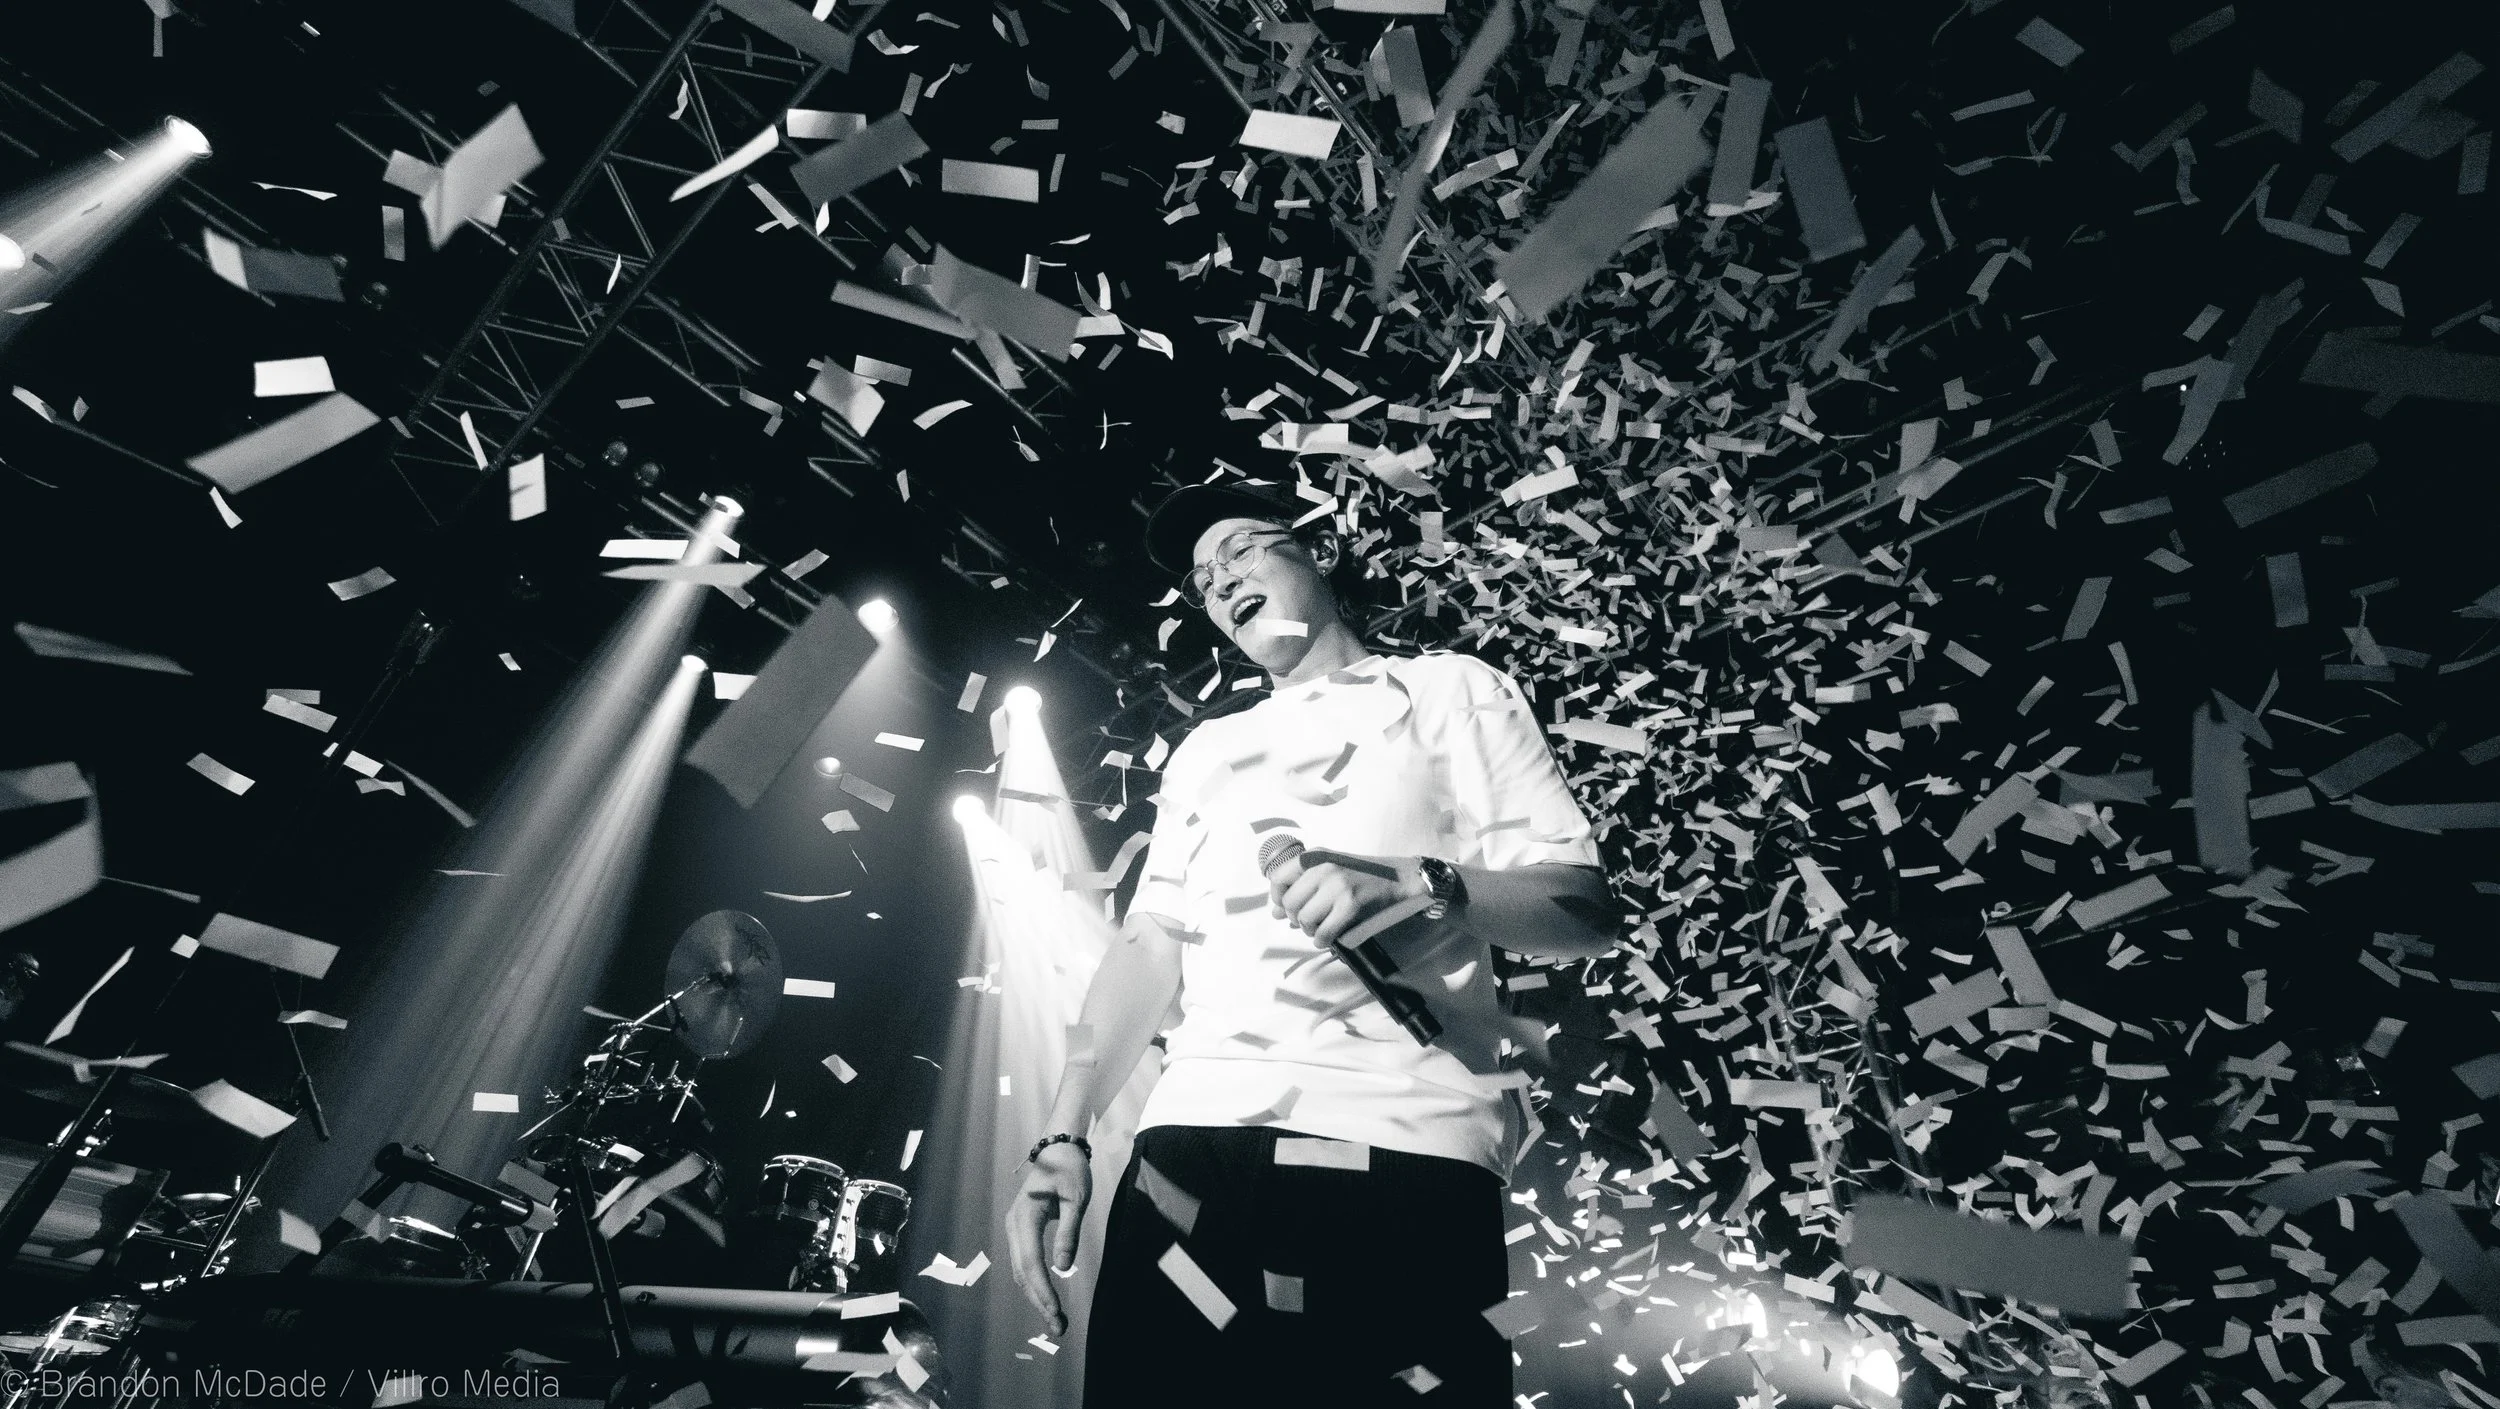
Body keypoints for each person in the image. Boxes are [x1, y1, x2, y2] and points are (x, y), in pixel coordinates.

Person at [1005, 481, 1618, 1407]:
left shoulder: (1448, 688)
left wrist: (1425, 883)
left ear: (1318, 552)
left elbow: (1583, 909)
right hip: (1191, 1154)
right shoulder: (1206, 750)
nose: (1222, 581)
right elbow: (1145, 944)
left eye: (1243, 550)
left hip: (1400, 1152)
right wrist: (1064, 1135)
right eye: (1206, 579)